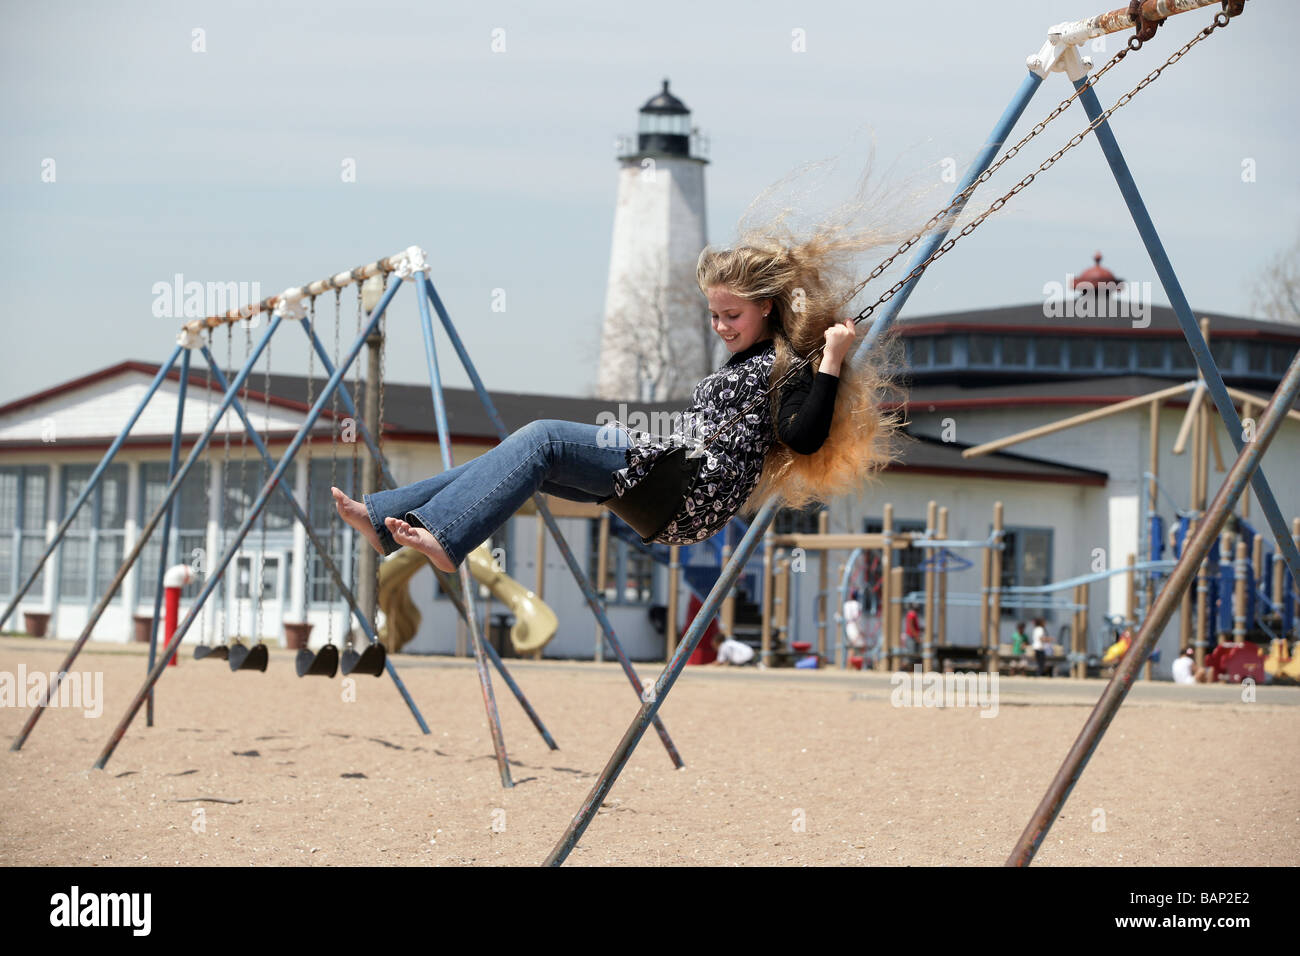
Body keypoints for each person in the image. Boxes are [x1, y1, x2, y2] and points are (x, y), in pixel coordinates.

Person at [332, 237, 903, 574]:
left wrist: (831, 357)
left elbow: (804, 437)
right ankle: (389, 518)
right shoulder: (745, 365)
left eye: (732, 315)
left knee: (544, 436)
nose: (720, 326)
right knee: (524, 457)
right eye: (714, 315)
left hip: (685, 488)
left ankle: (448, 538)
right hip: (675, 490)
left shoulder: (788, 368)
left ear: (769, 310)